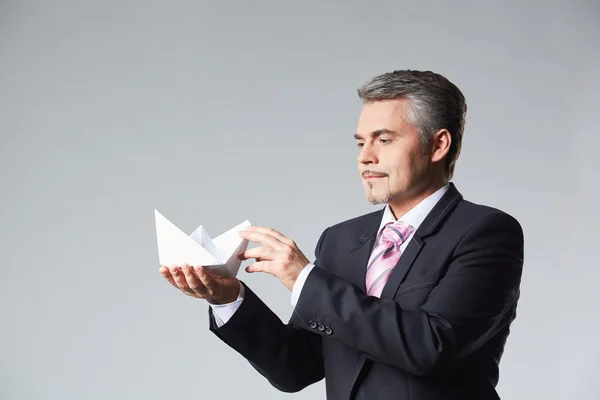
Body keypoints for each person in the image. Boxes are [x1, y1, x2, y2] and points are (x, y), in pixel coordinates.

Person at [159, 69, 524, 400]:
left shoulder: (486, 233)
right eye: (360, 142)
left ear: (438, 145)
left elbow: (430, 346)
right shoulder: (340, 240)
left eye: (384, 140)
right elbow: (297, 367)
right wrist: (229, 298)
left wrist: (303, 278)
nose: (365, 157)